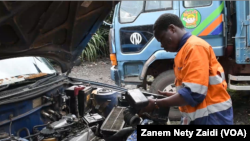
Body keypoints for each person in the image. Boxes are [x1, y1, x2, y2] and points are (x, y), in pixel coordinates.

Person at [140, 13, 233, 125]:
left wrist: (156, 103)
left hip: (212, 118)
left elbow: (193, 93)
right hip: (203, 117)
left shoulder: (194, 48)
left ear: (172, 29)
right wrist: (175, 95)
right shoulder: (185, 50)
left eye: (162, 39)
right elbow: (194, 87)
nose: (162, 45)